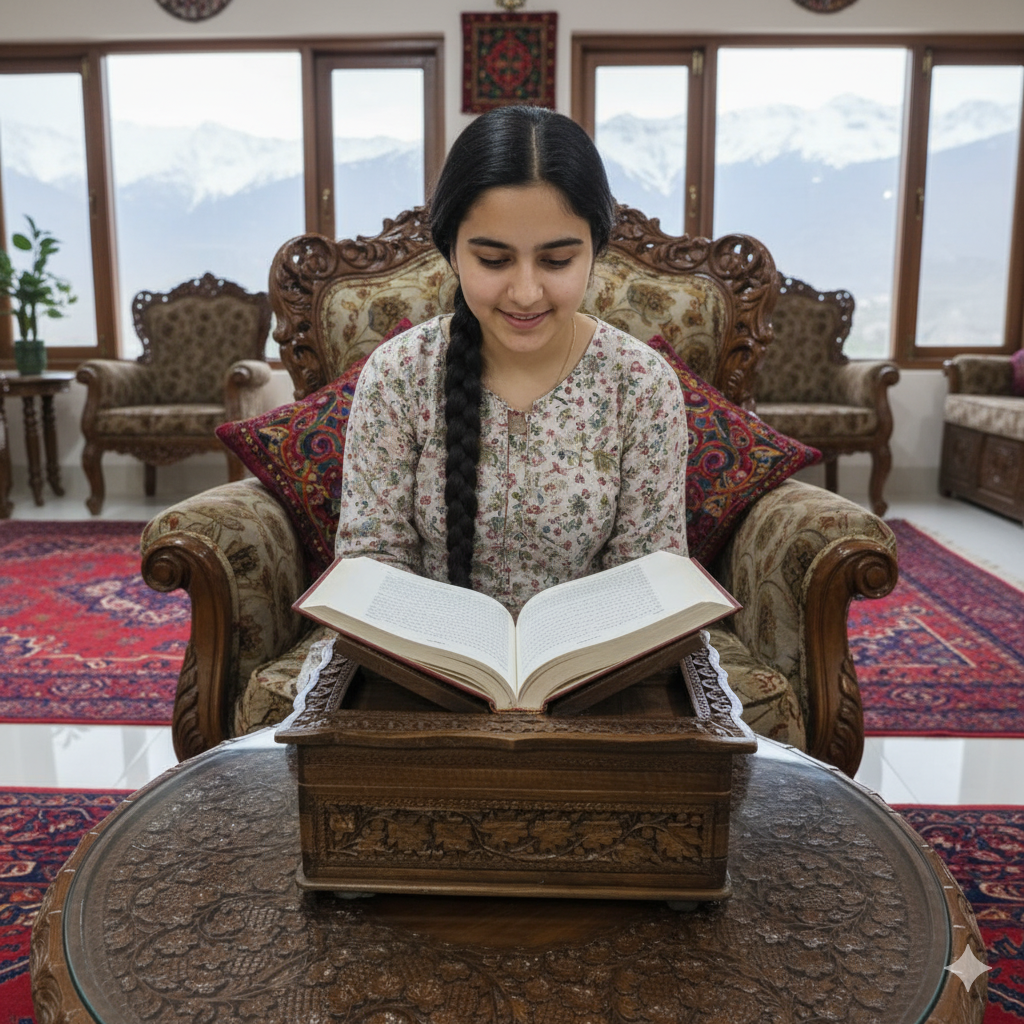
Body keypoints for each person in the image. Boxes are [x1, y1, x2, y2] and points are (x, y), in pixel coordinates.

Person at [336, 105, 687, 618]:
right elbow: (372, 562)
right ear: (451, 252)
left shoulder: (640, 384)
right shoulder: (399, 376)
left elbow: (648, 571)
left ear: (596, 252)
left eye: (557, 261)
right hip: (428, 665)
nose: (525, 293)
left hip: (592, 670)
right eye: (494, 261)